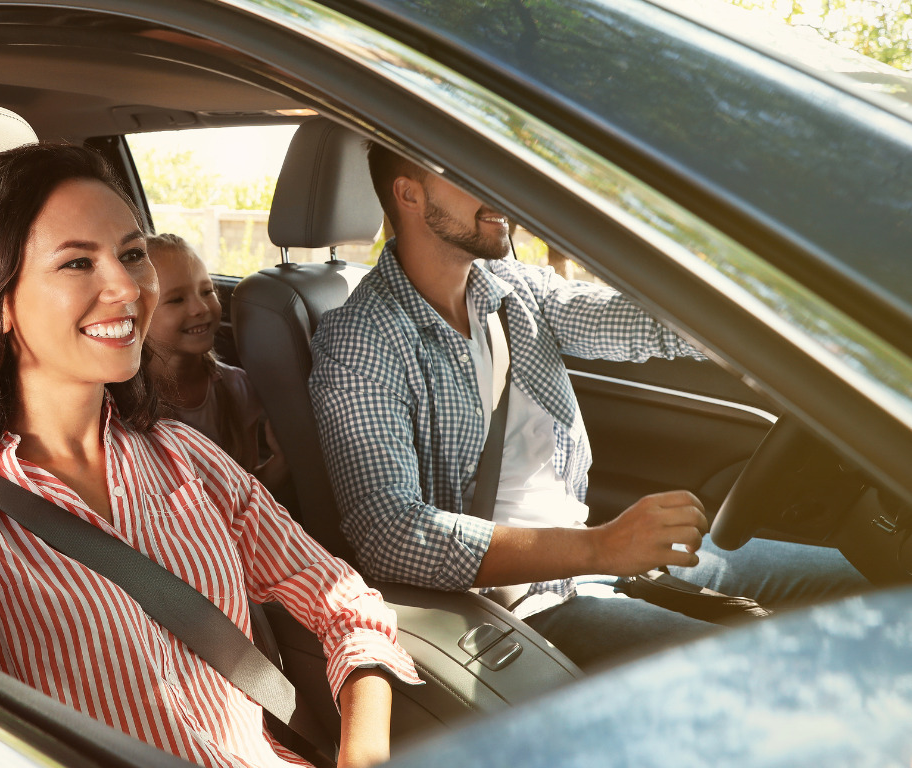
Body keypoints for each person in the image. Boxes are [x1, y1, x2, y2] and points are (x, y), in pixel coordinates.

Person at [0, 143, 419, 768]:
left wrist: (363, 753)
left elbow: (345, 602)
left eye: (131, 254)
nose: (125, 286)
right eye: (76, 264)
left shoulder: (184, 456)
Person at [307, 143, 867, 669]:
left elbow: (638, 323)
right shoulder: (362, 340)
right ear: (410, 195)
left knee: (864, 577)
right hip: (510, 610)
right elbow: (391, 534)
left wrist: (785, 325)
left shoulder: (508, 288)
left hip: (591, 568)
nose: (498, 187)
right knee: (769, 671)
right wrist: (601, 546)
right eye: (468, 170)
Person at [145, 233, 288, 493]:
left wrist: (282, 460)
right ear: (137, 315)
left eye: (207, 291)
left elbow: (249, 494)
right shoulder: (128, 404)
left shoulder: (237, 388)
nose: (200, 308)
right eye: (177, 299)